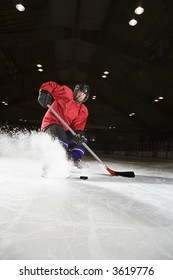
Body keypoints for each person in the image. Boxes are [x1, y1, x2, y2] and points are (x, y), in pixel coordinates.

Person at [38, 81, 90, 168]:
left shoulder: (82, 110)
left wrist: (78, 134)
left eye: (84, 94)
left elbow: (78, 126)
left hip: (64, 131)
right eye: (79, 92)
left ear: (86, 97)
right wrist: (44, 91)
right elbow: (52, 85)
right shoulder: (66, 94)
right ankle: (52, 164)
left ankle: (75, 160)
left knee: (82, 139)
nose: (81, 95)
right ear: (75, 91)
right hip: (51, 124)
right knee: (61, 141)